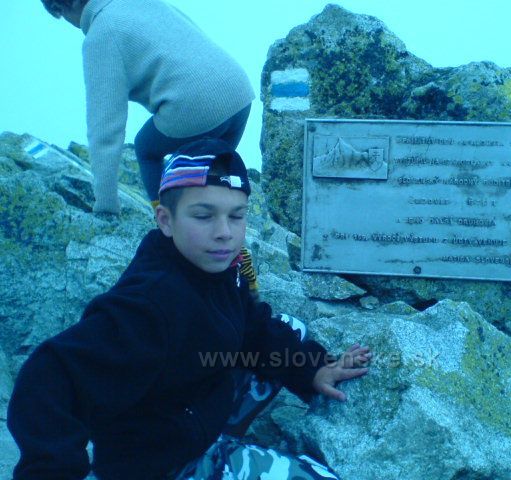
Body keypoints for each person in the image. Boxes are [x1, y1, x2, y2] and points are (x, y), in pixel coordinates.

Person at [7, 139, 371, 479]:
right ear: (166, 220)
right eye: (203, 216)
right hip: (160, 461)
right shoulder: (150, 304)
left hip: (192, 405)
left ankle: (220, 427)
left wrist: (312, 369)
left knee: (289, 329)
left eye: (236, 216)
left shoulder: (213, 265)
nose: (224, 232)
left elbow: (251, 323)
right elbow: (48, 376)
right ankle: (211, 456)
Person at [41, 0, 255, 215]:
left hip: (198, 106)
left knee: (146, 149)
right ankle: (227, 225)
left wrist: (106, 205)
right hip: (239, 92)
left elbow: (104, 128)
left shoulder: (101, 35)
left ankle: (167, 221)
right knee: (212, 176)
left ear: (60, 7)